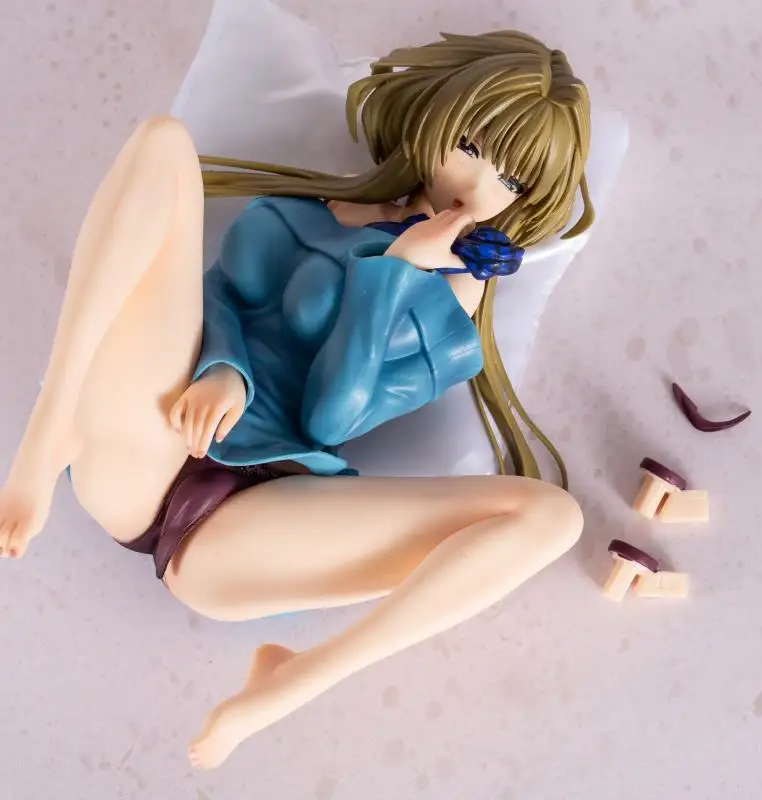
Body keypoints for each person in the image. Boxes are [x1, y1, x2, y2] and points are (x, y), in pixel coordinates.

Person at [0, 30, 590, 769]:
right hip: (157, 432)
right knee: (161, 143)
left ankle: (294, 681)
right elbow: (217, 293)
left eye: (511, 182)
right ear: (434, 117)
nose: (477, 187)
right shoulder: (322, 208)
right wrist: (226, 368)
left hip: (250, 520)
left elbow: (332, 414)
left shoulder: (451, 306)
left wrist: (396, 273)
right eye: (470, 146)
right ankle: (50, 428)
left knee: (552, 516)